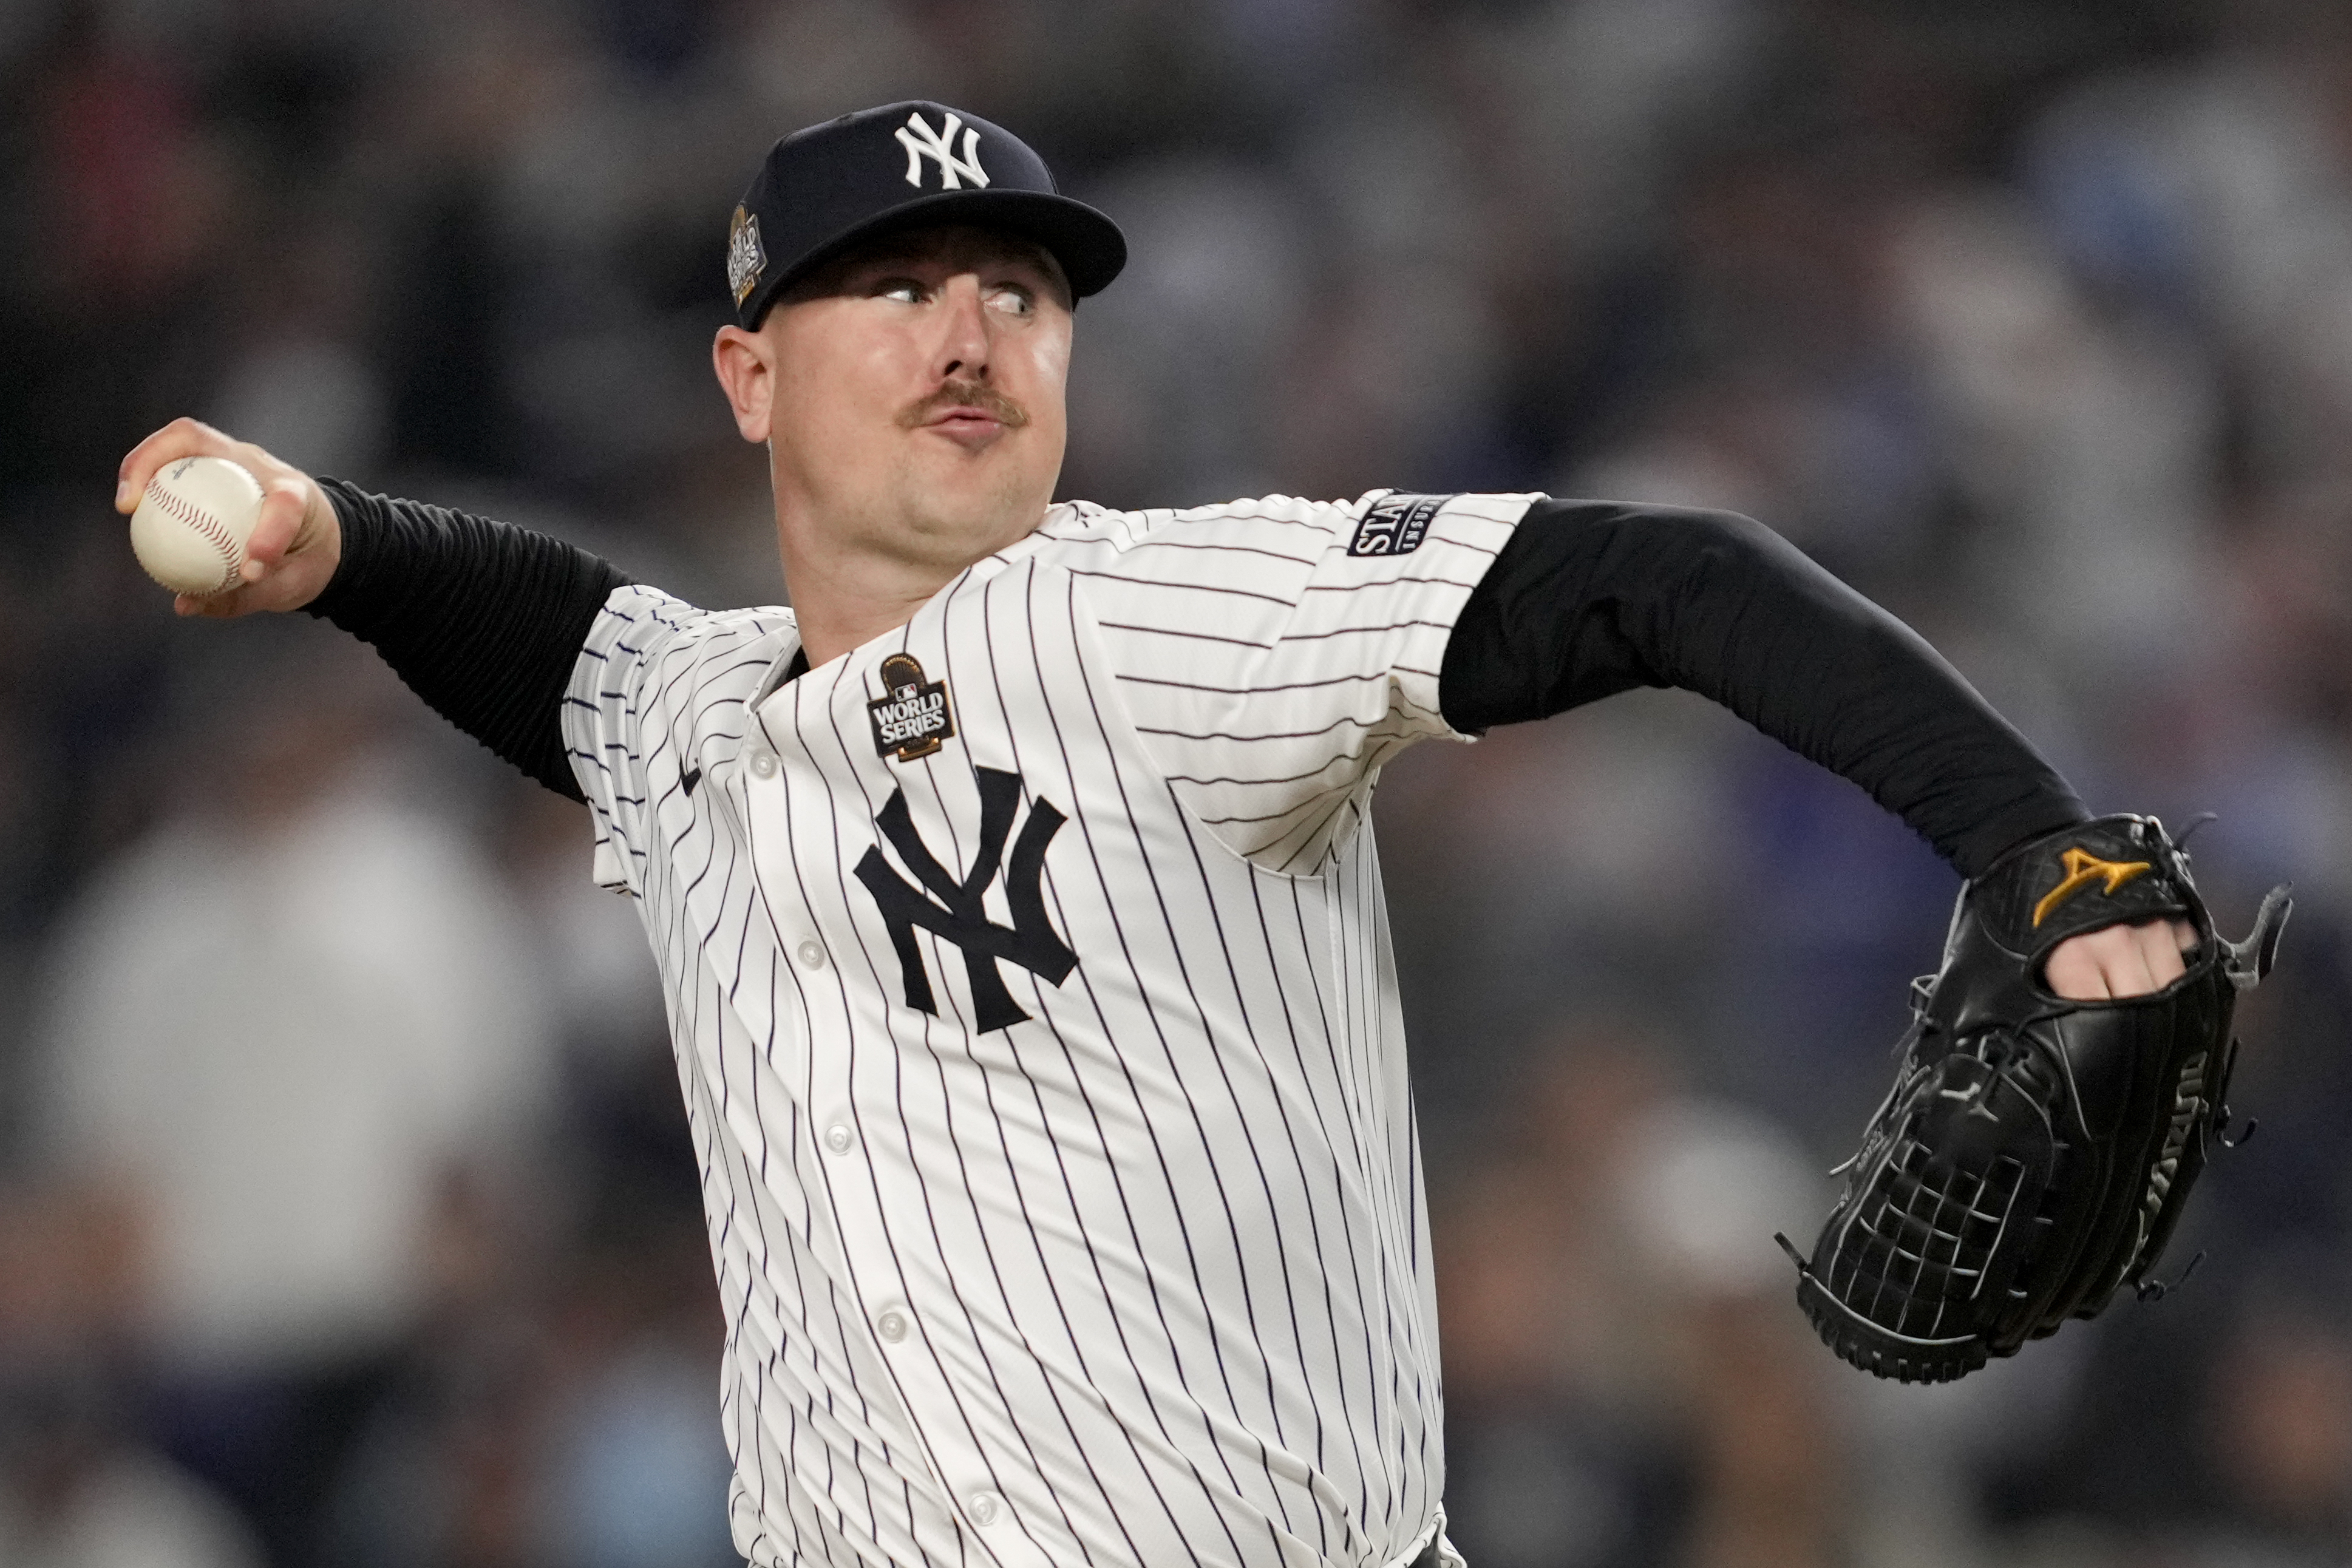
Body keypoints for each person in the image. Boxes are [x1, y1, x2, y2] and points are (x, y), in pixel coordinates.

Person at [114, 101, 2201, 1568]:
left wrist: (2034, 844)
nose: (970, 333)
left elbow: (1660, 571)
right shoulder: (697, 719)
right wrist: (336, 548)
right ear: (748, 378)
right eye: (897, 285)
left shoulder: (1145, 617)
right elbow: (563, 638)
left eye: (1018, 293)